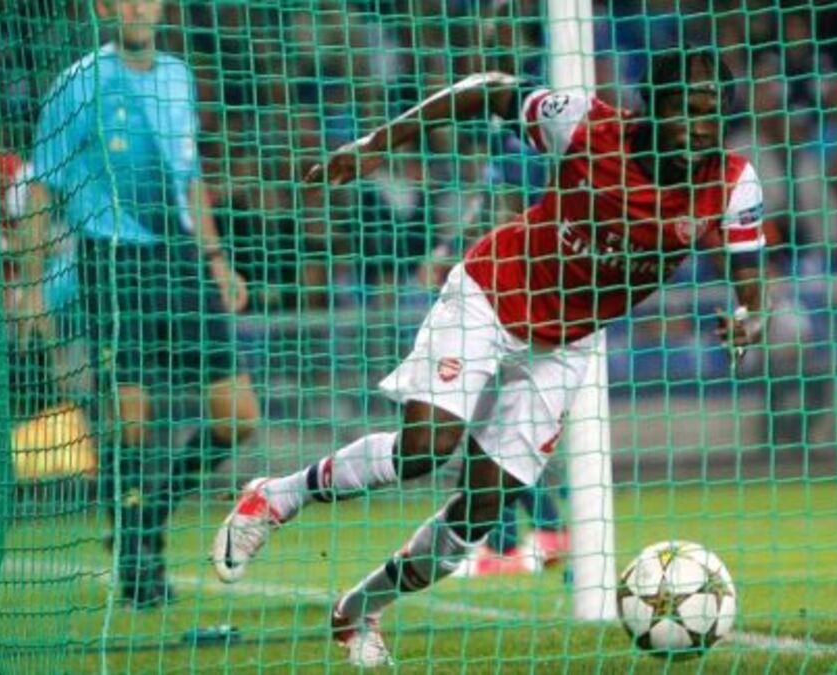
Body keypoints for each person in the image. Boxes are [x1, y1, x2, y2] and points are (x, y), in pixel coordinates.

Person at [211, 44, 767, 666]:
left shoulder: (732, 182)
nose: (699, 126)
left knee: (480, 511)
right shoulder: (584, 124)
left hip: (567, 344)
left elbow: (749, 276)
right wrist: (377, 144)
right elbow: (487, 88)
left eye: (712, 112)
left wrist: (749, 317)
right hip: (494, 292)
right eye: (685, 109)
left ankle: (359, 610)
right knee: (426, 448)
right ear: (651, 107)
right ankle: (277, 496)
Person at [22, 0, 260, 607]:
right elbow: (43, 182)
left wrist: (217, 259)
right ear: (105, 8)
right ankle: (139, 562)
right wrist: (30, 283)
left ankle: (144, 520)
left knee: (238, 418)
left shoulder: (179, 76)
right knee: (131, 422)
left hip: (181, 259)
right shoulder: (80, 83)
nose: (137, 7)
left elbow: (190, 177)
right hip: (112, 259)